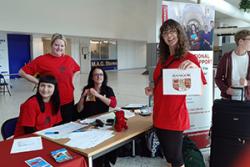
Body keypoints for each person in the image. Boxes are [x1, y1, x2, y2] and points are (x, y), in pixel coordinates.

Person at [145, 19, 206, 167]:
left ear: (179, 33)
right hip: (159, 114)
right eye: (165, 32)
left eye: (172, 31)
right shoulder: (163, 59)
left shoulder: (189, 58)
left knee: (176, 159)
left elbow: (201, 88)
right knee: (169, 157)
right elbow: (161, 84)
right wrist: (152, 90)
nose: (169, 35)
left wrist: (194, 69)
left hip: (174, 116)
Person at [19, 33, 80, 123]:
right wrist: (39, 83)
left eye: (62, 46)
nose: (59, 48)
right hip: (50, 101)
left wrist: (72, 79)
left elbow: (77, 69)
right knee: (53, 130)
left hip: (68, 100)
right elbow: (22, 72)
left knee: (68, 126)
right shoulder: (42, 59)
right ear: (51, 45)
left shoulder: (69, 59)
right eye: (56, 45)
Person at [76, 66, 117, 167]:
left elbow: (113, 104)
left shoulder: (108, 90)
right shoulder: (87, 89)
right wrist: (83, 96)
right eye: (96, 75)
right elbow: (79, 109)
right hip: (87, 121)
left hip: (101, 121)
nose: (99, 76)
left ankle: (104, 161)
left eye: (101, 74)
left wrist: (98, 95)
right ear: (92, 77)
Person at [215, 30, 250, 100]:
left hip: (247, 99)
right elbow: (218, 78)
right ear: (240, 41)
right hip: (228, 99)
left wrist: (247, 83)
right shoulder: (226, 57)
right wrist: (226, 89)